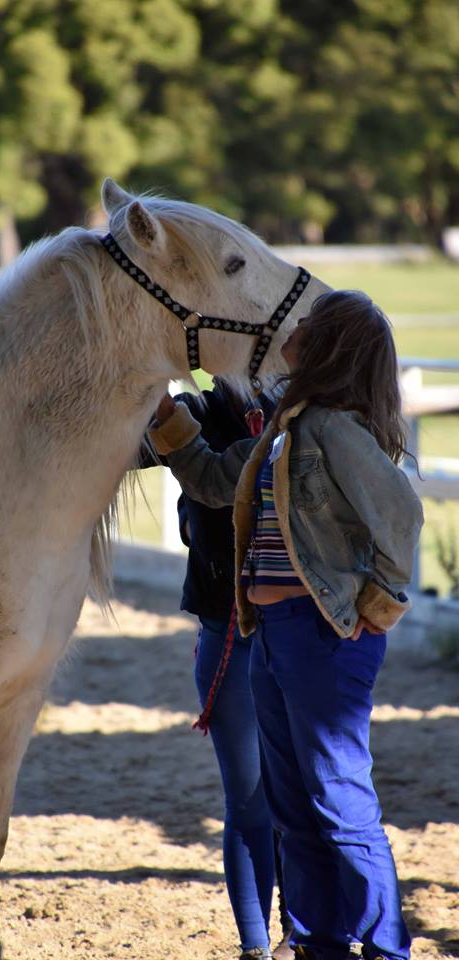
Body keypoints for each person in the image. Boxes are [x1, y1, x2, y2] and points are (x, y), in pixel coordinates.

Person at [149, 290, 424, 960]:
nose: (292, 328)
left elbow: (402, 520)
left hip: (321, 633)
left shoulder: (332, 428)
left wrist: (375, 608)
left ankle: (387, 949)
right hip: (271, 632)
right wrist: (163, 418)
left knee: (336, 799)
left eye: (309, 323)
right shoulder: (287, 426)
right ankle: (316, 943)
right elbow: (215, 481)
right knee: (294, 804)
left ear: (328, 345)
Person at [141, 382, 290, 960]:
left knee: (297, 797)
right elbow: (126, 448)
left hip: (295, 634)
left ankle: (297, 933)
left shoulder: (300, 408)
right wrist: (145, 398)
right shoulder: (195, 412)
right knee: (250, 799)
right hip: (226, 634)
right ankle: (255, 944)